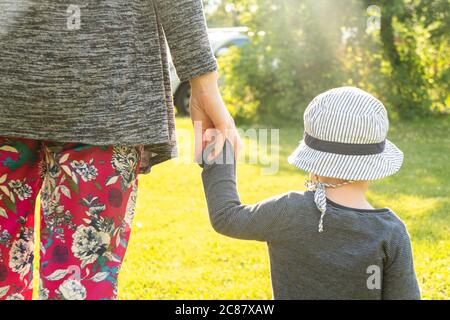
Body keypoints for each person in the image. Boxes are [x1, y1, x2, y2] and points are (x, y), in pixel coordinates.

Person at [0, 0, 239, 300]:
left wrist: (203, 82)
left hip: (104, 92)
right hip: (108, 88)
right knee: (81, 286)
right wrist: (204, 84)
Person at [200, 87, 421, 299]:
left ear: (313, 159)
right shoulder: (390, 233)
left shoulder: (288, 211)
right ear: (374, 166)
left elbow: (226, 216)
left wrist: (219, 148)